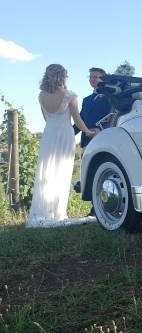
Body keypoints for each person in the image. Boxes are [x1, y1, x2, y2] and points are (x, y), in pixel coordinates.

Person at [26, 64, 97, 228]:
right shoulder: (69, 95)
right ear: (62, 76)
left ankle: (43, 212)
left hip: (49, 134)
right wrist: (88, 132)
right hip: (65, 134)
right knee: (62, 172)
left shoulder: (41, 95)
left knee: (47, 172)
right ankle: (57, 213)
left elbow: (46, 117)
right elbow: (77, 119)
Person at [75, 67, 111, 153]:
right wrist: (66, 133)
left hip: (104, 140)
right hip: (86, 143)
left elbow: (114, 117)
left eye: (95, 77)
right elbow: (80, 121)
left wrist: (100, 130)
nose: (92, 79)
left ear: (103, 79)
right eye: (90, 77)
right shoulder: (86, 100)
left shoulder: (111, 97)